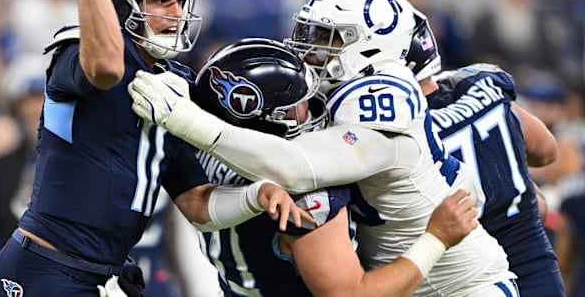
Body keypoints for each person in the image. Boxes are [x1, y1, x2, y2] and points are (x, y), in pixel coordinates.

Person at [0, 0, 310, 296]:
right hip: (46, 268)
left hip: (106, 273)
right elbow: (105, 67)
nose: (175, 13)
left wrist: (254, 196)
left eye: (179, 0)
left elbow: (195, 202)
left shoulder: (175, 81)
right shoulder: (76, 48)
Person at [128, 0, 520, 296]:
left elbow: (285, 170)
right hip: (406, 273)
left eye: (327, 36)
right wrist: (436, 236)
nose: (309, 50)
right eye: (312, 32)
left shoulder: (375, 101)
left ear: (369, 47)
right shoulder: (303, 178)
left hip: (462, 285)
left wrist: (184, 119)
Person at [189, 37, 478, 296]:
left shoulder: (203, 156)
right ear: (266, 119)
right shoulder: (306, 196)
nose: (311, 108)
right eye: (297, 105)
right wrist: (436, 239)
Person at [405, 19, 566, 296]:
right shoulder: (482, 88)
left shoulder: (394, 130)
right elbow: (547, 151)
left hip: (458, 280)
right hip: (532, 266)